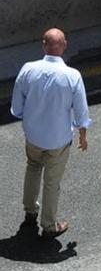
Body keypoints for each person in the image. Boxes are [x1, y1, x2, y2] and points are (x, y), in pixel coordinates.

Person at [10, 28, 91, 239]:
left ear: (43, 45)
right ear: (65, 45)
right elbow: (81, 110)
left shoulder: (28, 69)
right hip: (58, 140)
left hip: (33, 136)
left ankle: (30, 211)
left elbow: (17, 108)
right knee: (52, 182)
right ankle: (49, 225)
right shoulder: (72, 75)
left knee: (33, 168)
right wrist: (83, 134)